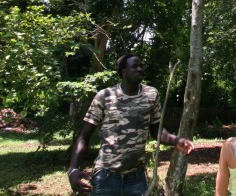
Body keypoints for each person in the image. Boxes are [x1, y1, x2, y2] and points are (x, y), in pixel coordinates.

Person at [68, 54, 194, 195]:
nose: (140, 69)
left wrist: (177, 140)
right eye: (134, 66)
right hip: (106, 177)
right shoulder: (105, 97)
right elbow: (84, 136)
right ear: (123, 72)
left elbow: (157, 132)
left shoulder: (151, 95)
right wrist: (73, 169)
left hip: (136, 179)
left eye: (141, 66)